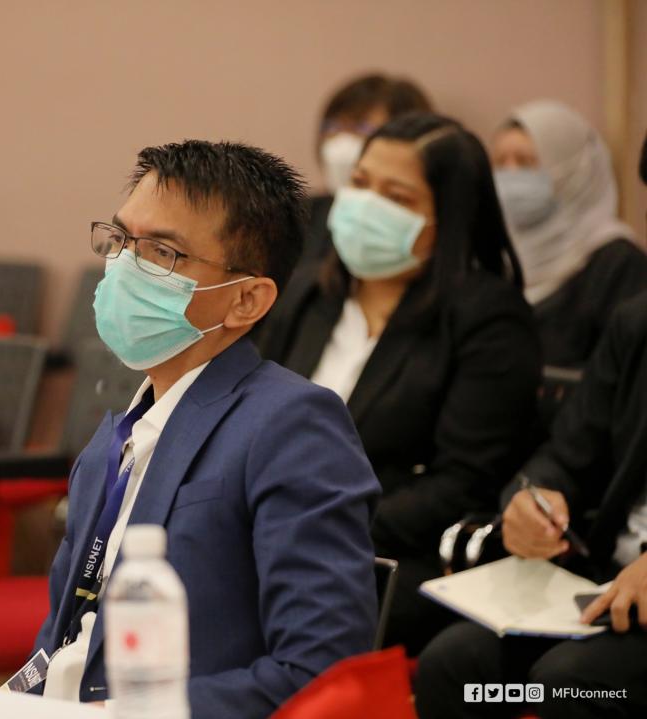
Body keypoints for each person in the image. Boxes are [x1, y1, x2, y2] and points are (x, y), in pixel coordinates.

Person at [30, 140, 380, 718]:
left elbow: (322, 672)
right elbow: (61, 643)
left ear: (246, 300)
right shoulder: (113, 440)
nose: (124, 266)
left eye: (162, 253)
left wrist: (138, 714)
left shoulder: (291, 425)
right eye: (121, 240)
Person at [257, 113, 542, 655]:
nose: (366, 205)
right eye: (360, 184)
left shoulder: (489, 319)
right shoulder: (309, 295)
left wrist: (315, 523)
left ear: (450, 217)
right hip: (272, 530)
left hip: (390, 554)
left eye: (397, 197)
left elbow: (463, 485)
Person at [413, 129, 647, 719]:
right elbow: (567, 454)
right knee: (455, 668)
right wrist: (534, 500)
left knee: (570, 687)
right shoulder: (638, 324)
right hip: (606, 582)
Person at [491, 100, 647, 367]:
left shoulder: (619, 263)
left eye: (526, 162)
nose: (510, 175)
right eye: (500, 163)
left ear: (575, 171)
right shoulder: (498, 255)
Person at [304, 73, 432, 261]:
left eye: (360, 128)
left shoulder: (407, 226)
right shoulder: (301, 216)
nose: (342, 140)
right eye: (333, 127)